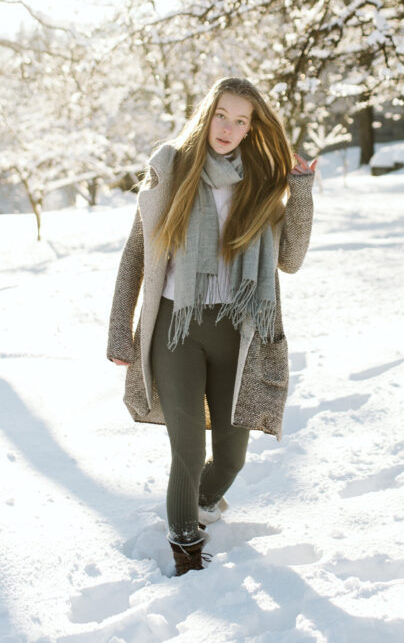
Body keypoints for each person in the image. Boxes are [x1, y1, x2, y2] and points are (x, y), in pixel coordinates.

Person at [106, 77, 316, 576]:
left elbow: (290, 259)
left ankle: (199, 502)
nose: (229, 127)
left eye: (241, 120)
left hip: (237, 331)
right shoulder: (171, 168)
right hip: (176, 329)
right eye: (223, 115)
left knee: (230, 459)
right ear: (208, 114)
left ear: (251, 128)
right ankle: (185, 550)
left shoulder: (261, 180)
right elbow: (138, 253)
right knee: (187, 449)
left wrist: (301, 193)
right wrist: (120, 328)